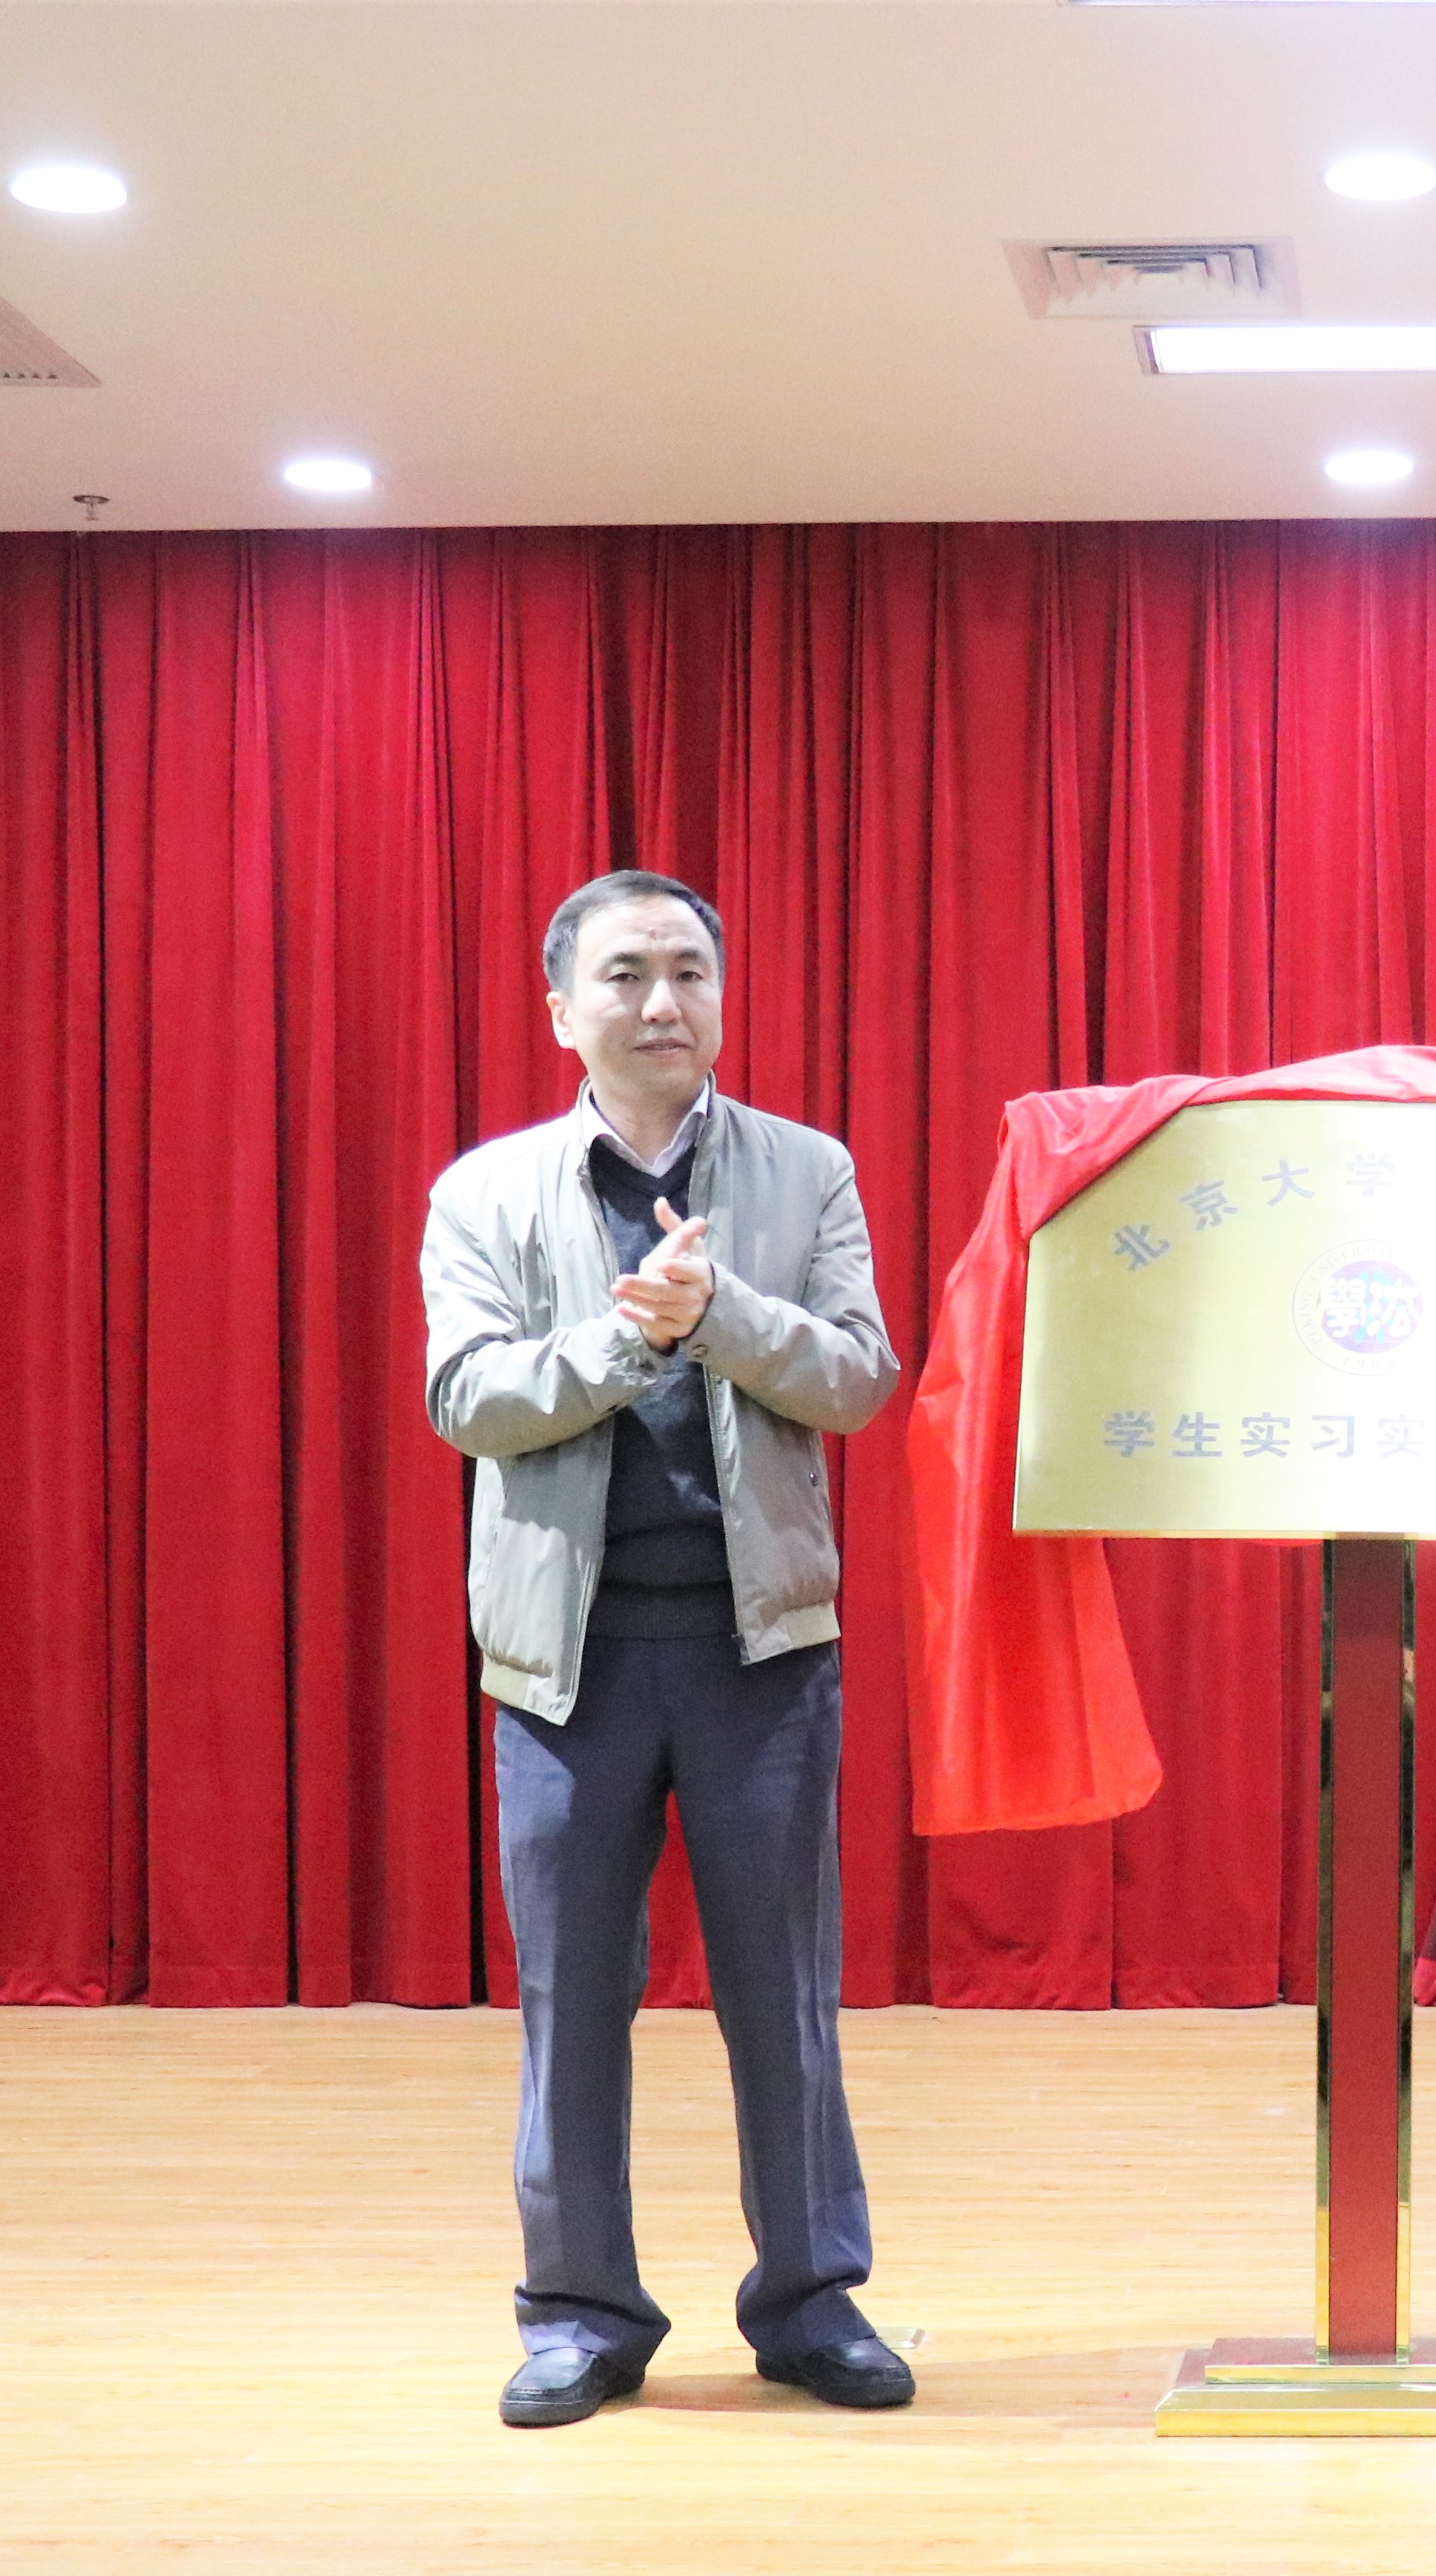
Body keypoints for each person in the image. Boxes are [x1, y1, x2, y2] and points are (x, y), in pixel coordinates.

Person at [420, 869, 911, 2426]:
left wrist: (721, 1317)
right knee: (574, 2003)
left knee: (786, 1996)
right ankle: (580, 2315)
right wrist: (626, 1338)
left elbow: (858, 1378)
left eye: (689, 972)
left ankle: (811, 2303)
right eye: (625, 975)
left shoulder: (807, 1170)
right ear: (560, 1011)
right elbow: (468, 1399)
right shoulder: (486, 1193)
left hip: (761, 1651)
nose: (662, 1003)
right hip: (564, 1665)